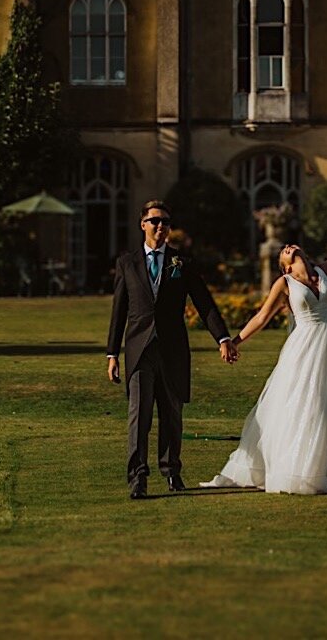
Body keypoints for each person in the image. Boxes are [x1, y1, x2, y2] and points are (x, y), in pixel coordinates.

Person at [201, 233, 327, 495]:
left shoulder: (321, 271)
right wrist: (233, 341)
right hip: (303, 347)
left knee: (323, 404)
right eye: (283, 252)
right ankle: (291, 469)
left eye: (290, 247)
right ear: (285, 266)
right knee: (302, 402)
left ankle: (313, 467)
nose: (287, 247)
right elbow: (261, 317)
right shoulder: (285, 282)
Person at [106, 200, 237, 500]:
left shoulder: (182, 263)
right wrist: (112, 354)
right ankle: (138, 478)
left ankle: (171, 472)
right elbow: (119, 310)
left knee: (172, 415)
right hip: (139, 350)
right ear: (143, 224)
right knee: (139, 417)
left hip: (173, 350)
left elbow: (204, 303)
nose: (160, 226)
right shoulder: (127, 263)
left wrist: (222, 338)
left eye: (165, 221)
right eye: (154, 221)